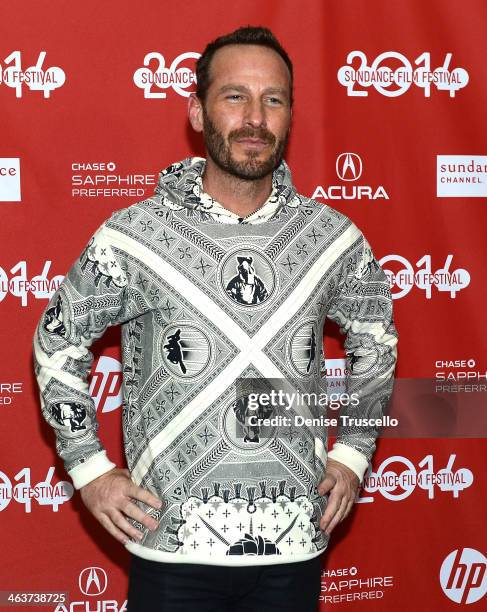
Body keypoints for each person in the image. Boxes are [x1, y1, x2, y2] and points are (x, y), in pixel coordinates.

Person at [33, 26, 398, 612]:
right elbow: (59, 339)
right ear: (197, 112)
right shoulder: (134, 236)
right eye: (235, 97)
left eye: (273, 99)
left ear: (289, 116)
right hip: (170, 549)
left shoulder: (333, 238)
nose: (255, 118)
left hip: (294, 549)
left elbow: (375, 342)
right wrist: (89, 468)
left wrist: (353, 452)